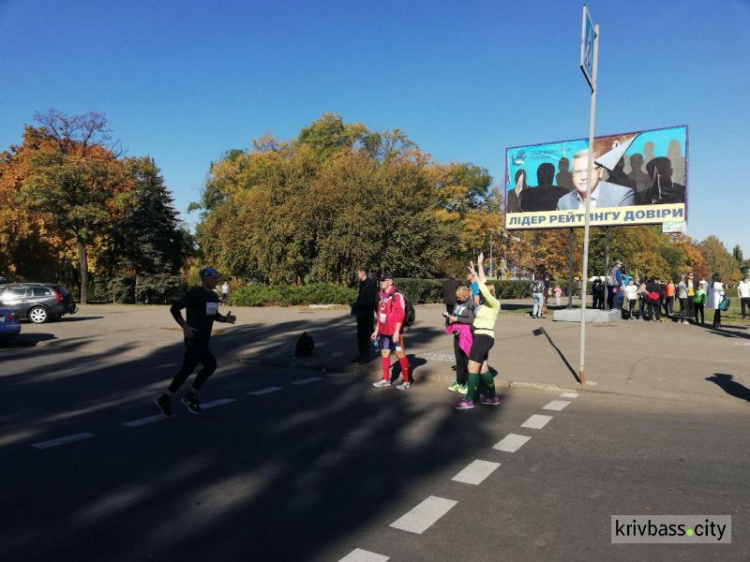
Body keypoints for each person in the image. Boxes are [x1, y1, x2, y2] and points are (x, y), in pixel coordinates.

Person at [154, 267, 236, 416]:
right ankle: (189, 395)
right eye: (213, 278)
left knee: (188, 370)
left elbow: (213, 315)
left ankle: (165, 398)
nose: (216, 280)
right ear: (205, 278)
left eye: (217, 277)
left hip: (204, 338)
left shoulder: (212, 296)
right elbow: (174, 309)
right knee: (209, 365)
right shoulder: (194, 294)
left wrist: (225, 319)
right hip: (194, 338)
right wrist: (185, 326)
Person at [454, 253, 501, 410]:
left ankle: (469, 400)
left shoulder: (494, 303)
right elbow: (483, 282)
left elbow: (483, 287)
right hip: (481, 337)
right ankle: (493, 397)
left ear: (489, 293)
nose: (480, 294)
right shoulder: (484, 304)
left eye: (482, 292)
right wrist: (479, 266)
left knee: (472, 368)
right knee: (483, 368)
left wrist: (474, 274)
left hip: (483, 337)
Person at [556, 149, 635, 210]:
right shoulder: (563, 202)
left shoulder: (622, 196)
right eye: (578, 171)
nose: (583, 177)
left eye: (588, 171)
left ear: (600, 172)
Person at [371, 272, 411, 390]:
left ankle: (406, 381)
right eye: (380, 280)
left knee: (399, 354)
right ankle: (386, 379)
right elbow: (380, 314)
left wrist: (397, 332)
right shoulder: (381, 295)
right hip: (383, 331)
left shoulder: (397, 295)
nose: (381, 282)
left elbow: (400, 314)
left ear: (390, 282)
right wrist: (376, 330)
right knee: (384, 353)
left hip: (394, 332)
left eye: (384, 280)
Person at [445, 286, 475, 395]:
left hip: (467, 335)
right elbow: (454, 314)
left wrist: (457, 319)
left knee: (467, 360)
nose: (458, 299)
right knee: (459, 360)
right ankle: (458, 382)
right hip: (457, 334)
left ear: (466, 296)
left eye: (460, 297)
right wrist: (449, 318)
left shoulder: (471, 303)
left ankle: (468, 383)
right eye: (457, 297)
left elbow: (472, 319)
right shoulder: (458, 303)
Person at [352, 267, 378, 364]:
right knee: (360, 336)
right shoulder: (362, 284)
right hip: (360, 315)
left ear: (362, 274)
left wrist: (357, 304)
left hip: (367, 316)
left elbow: (369, 302)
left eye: (358, 273)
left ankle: (366, 357)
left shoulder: (369, 285)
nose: (357, 275)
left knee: (365, 337)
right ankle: (361, 355)